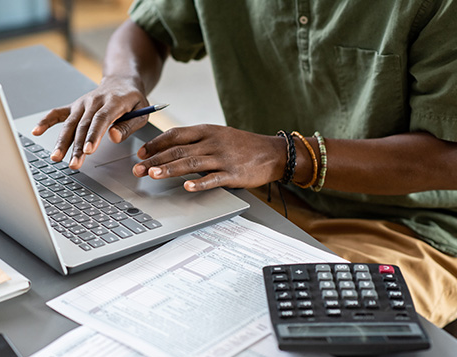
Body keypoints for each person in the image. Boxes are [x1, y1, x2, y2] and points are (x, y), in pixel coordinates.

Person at [32, 0, 457, 328]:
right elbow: (148, 26)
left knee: (275, 340)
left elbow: (449, 160)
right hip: (260, 195)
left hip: (411, 228)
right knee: (129, 293)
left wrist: (284, 154)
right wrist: (122, 78)